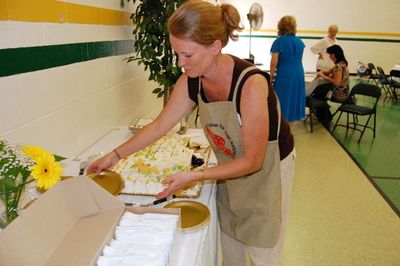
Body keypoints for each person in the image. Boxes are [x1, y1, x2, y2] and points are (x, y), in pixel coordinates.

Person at [88, 1, 295, 265]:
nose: (180, 63)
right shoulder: (191, 81)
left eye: (187, 55)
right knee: (231, 240)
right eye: (177, 54)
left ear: (215, 47)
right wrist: (115, 155)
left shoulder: (250, 84)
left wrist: (196, 176)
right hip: (232, 162)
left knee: (262, 245)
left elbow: (253, 160)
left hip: (269, 168)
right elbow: (159, 126)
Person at [269, 15, 306, 125]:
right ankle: (289, 127)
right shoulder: (300, 42)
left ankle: (282, 127)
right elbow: (299, 60)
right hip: (298, 73)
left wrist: (270, 78)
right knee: (293, 99)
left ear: (280, 26)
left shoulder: (279, 42)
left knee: (282, 100)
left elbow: (273, 63)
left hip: (285, 75)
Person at [312, 44, 349, 124]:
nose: (329, 57)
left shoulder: (338, 67)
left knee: (318, 94)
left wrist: (324, 76)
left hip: (339, 94)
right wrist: (321, 72)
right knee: (320, 92)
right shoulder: (343, 64)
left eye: (330, 54)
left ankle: (325, 116)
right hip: (344, 91)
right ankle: (325, 115)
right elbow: (328, 71)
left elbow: (337, 82)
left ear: (334, 54)